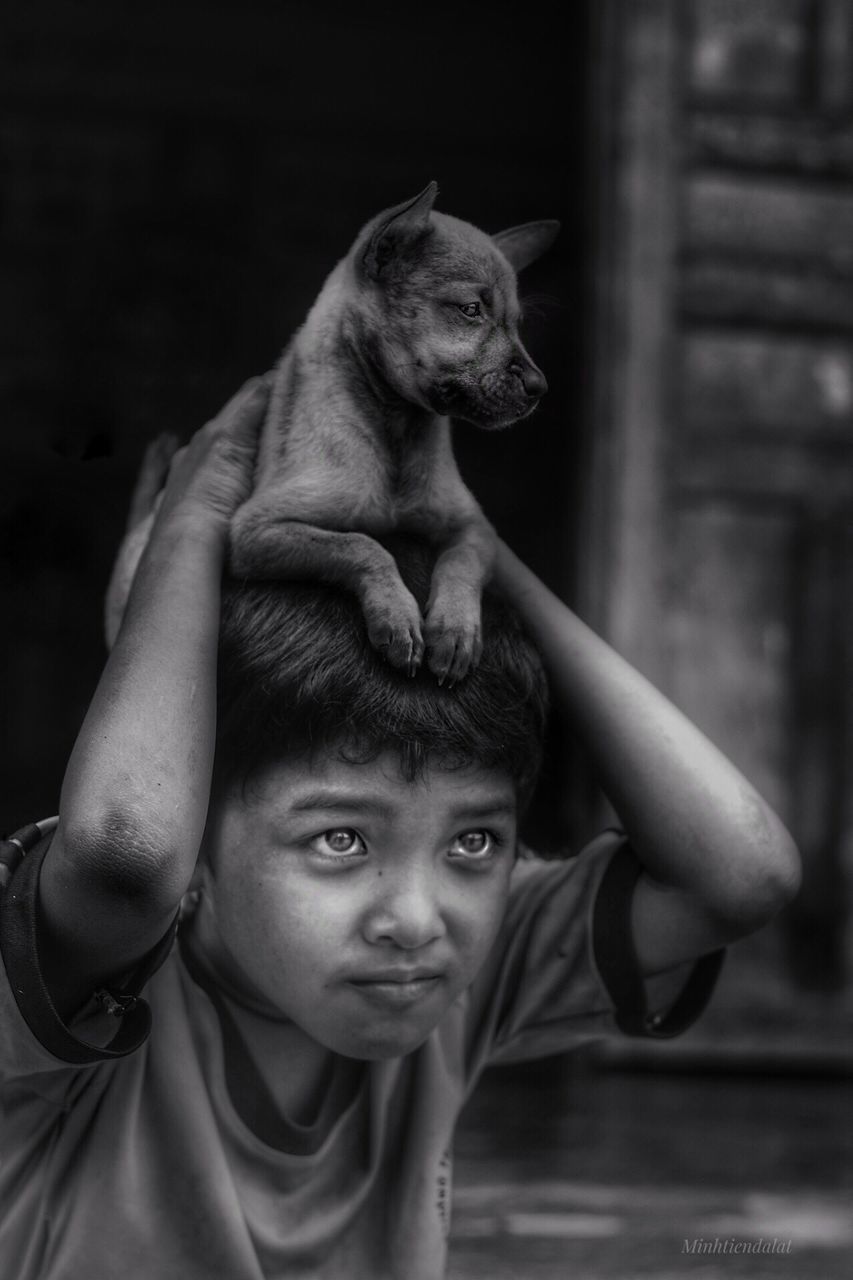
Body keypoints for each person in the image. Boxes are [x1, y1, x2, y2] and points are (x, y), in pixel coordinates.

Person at [0, 379, 800, 1279]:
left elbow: (744, 872)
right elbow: (126, 854)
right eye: (340, 840)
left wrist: (480, 557)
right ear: (197, 848)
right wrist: (198, 515)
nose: (418, 918)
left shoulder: (449, 988)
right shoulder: (79, 1002)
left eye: (473, 843)